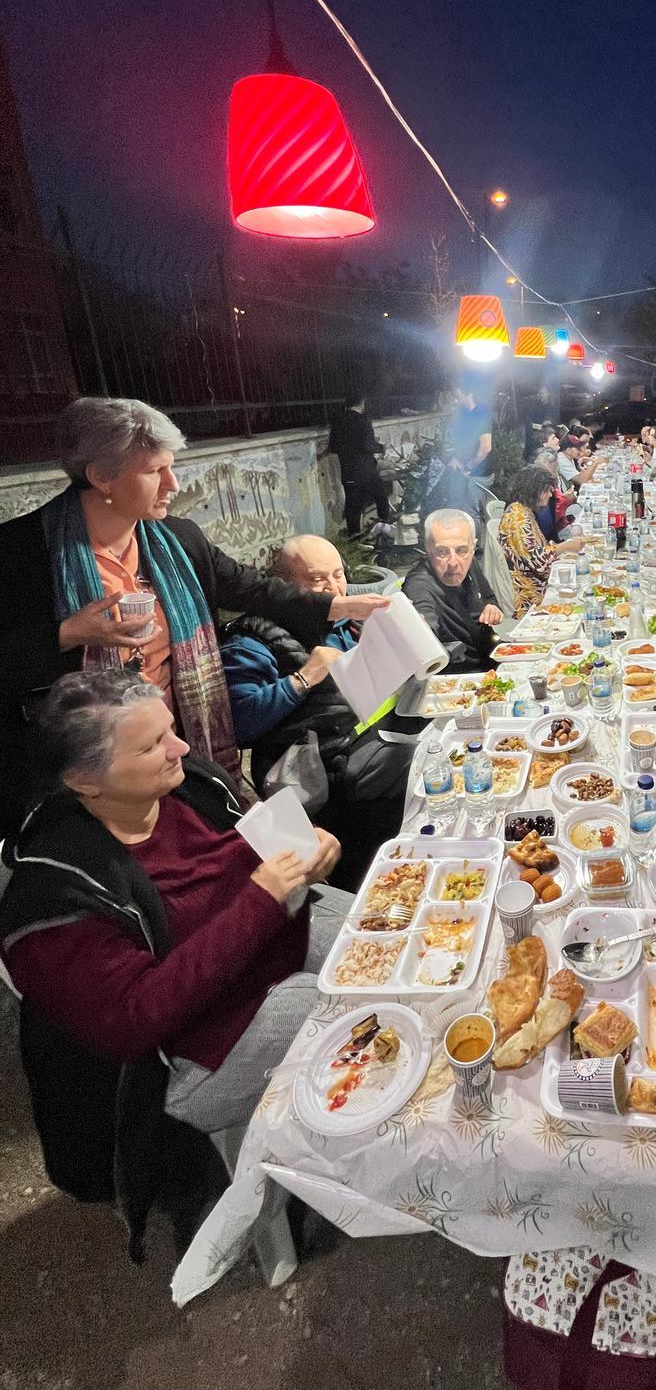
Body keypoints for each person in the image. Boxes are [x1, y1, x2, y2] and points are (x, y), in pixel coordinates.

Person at [0, 669, 349, 1250]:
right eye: (152, 744)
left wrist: (314, 850)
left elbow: (260, 843)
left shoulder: (191, 785)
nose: (181, 747)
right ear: (86, 780)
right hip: (178, 1058)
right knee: (339, 1007)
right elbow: (139, 1020)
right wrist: (262, 900)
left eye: (170, 731)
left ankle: (337, 1122)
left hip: (254, 947)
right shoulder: (54, 898)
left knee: (380, 935)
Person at [0, 397, 388, 842]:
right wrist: (68, 634)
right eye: (154, 471)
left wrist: (339, 606)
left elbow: (249, 586)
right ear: (101, 476)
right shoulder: (22, 553)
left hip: (182, 747)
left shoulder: (177, 540)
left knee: (244, 852)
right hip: (93, 773)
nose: (174, 483)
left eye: (172, 466)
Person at [220, 535, 421, 887]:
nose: (334, 588)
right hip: (317, 767)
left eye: (338, 574)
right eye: (317, 580)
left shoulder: (345, 621)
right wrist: (303, 677)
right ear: (282, 586)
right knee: (424, 765)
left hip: (365, 743)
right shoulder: (252, 640)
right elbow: (239, 725)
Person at [399, 508, 504, 671]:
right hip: (462, 674)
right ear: (428, 548)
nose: (453, 562)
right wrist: (419, 628)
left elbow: (490, 598)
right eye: (442, 552)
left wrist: (493, 608)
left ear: (473, 547)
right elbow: (425, 623)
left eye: (461, 550)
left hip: (493, 655)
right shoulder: (419, 583)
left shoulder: (470, 562)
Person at [499, 466, 585, 617]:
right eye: (547, 490)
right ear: (534, 491)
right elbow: (538, 563)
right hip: (529, 594)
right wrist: (565, 546)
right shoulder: (517, 520)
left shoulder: (523, 510)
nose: (551, 495)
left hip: (537, 583)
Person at [328, 391, 392, 538]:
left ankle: (354, 536)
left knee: (352, 505)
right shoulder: (363, 420)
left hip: (348, 470)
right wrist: (381, 447)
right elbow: (368, 446)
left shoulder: (337, 421)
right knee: (381, 495)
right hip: (366, 470)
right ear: (361, 402)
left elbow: (334, 446)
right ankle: (384, 526)